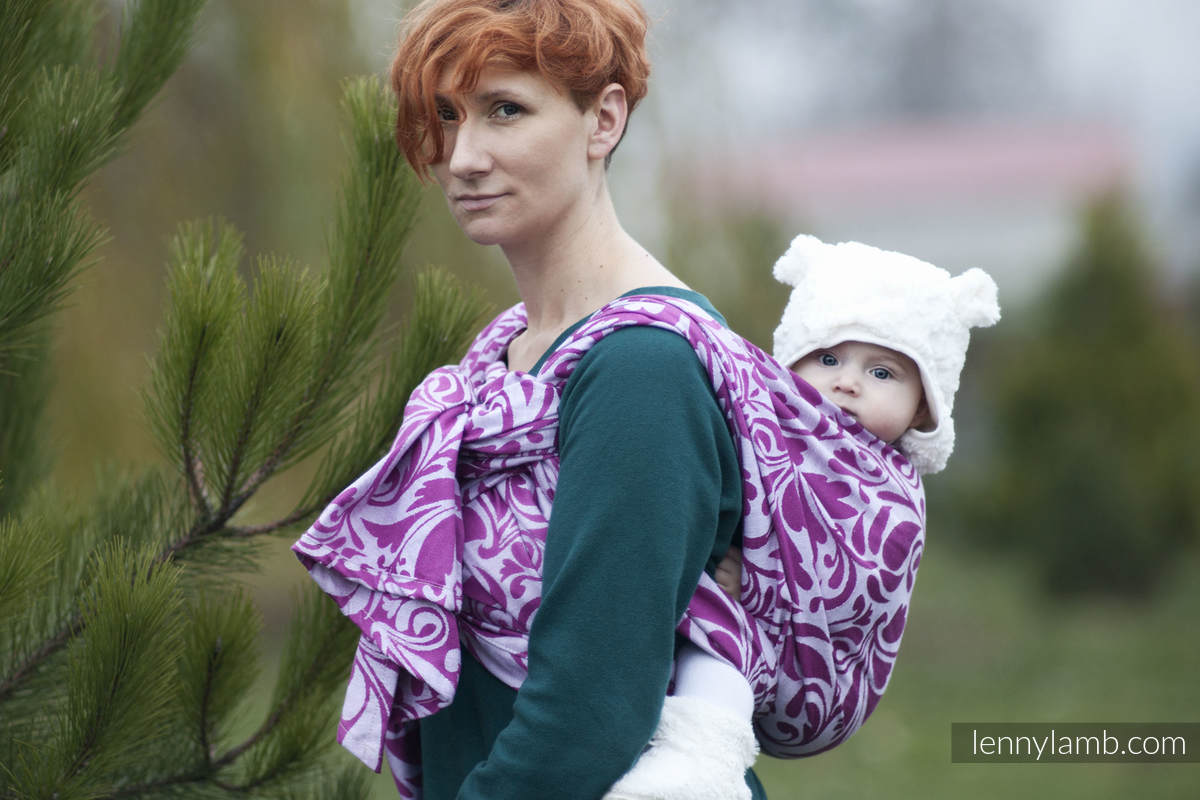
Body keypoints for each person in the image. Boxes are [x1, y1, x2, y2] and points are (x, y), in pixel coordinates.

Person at [292, 3, 961, 799]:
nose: (462, 156)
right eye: (445, 116)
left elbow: (585, 723)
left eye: (506, 109)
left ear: (602, 119)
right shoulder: (503, 355)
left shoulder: (641, 369)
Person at [608, 234, 1000, 799]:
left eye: (883, 372)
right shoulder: (761, 428)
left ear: (922, 405)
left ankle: (702, 759)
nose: (847, 381)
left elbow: (860, 580)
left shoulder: (889, 493)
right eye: (828, 357)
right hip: (691, 610)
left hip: (794, 660)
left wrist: (759, 583)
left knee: (724, 656)